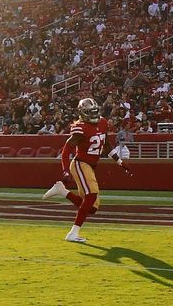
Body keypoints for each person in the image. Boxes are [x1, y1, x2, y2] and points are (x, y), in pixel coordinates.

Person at [42, 97, 132, 243]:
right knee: (91, 195)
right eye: (90, 112)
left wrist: (120, 161)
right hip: (80, 164)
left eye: (94, 111)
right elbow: (66, 151)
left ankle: (62, 191)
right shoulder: (80, 128)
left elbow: (106, 146)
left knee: (92, 208)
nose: (93, 115)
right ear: (83, 113)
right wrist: (65, 171)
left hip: (90, 166)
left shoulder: (102, 122)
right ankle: (73, 233)